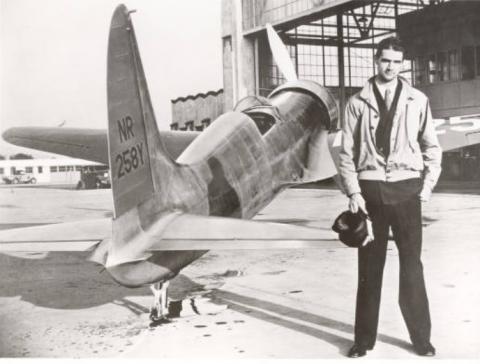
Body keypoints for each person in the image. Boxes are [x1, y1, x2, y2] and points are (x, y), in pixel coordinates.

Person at [339, 36, 442, 358]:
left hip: (407, 189)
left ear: (403, 64)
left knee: (412, 267)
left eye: (396, 62)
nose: (390, 67)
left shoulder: (417, 100)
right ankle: (363, 340)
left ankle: (420, 339)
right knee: (370, 270)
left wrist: (425, 189)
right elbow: (346, 154)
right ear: (376, 60)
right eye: (385, 60)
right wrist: (354, 191)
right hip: (371, 193)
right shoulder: (357, 103)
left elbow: (432, 148)